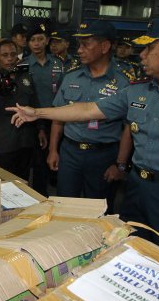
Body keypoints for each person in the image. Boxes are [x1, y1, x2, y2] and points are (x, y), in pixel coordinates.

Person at [8, 18, 159, 260]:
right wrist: (36, 113)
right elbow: (88, 110)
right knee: (131, 252)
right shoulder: (138, 89)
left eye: (149, 48)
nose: (141, 55)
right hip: (136, 188)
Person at [48, 20, 135, 212]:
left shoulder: (124, 82)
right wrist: (53, 150)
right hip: (70, 153)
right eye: (79, 45)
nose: (79, 50)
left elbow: (129, 127)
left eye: (86, 45)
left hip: (103, 156)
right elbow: (59, 116)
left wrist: (120, 165)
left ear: (105, 46)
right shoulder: (71, 76)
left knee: (99, 210)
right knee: (63, 206)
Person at [0, 38, 44, 182]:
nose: (9, 58)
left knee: (25, 180)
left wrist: (40, 129)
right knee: (7, 182)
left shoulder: (25, 76)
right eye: (5, 55)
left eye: (13, 54)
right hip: (6, 141)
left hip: (27, 138)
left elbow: (35, 103)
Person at [24, 23, 63, 195]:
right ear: (28, 44)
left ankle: (58, 192)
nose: (37, 43)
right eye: (32, 40)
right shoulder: (23, 66)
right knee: (39, 162)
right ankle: (40, 195)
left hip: (59, 119)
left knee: (58, 157)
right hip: (34, 121)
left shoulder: (59, 64)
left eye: (40, 39)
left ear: (47, 41)